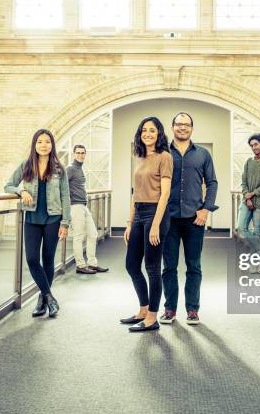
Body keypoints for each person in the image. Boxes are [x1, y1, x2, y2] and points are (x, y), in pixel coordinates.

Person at [5, 128, 70, 318]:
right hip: (32, 218)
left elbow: (66, 196)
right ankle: (49, 297)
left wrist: (65, 223)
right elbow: (8, 185)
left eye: (47, 142)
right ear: (35, 145)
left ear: (52, 145)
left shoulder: (59, 168)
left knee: (48, 260)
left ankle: (42, 302)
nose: (44, 145)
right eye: (40, 142)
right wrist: (21, 191)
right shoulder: (26, 165)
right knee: (32, 259)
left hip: (53, 218)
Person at [160, 112, 218, 326]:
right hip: (169, 219)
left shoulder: (202, 154)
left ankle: (192, 310)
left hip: (195, 219)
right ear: (172, 127)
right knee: (169, 267)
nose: (182, 128)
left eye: (187, 125)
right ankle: (169, 309)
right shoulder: (163, 152)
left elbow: (212, 183)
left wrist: (206, 210)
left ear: (192, 128)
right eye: (178, 124)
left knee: (194, 266)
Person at [120, 116, 172, 332]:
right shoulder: (140, 156)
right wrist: (130, 223)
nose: (148, 134)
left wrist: (156, 224)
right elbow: (135, 193)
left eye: (152, 130)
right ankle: (143, 309)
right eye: (144, 130)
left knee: (152, 268)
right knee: (132, 265)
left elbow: (165, 192)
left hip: (155, 213)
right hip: (139, 212)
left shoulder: (165, 156)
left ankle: (152, 317)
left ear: (159, 133)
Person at [66, 144, 108, 275]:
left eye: (83, 153)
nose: (80, 155)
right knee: (78, 236)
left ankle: (92, 263)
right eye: (78, 153)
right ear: (74, 154)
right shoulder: (70, 169)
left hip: (83, 206)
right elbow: (63, 188)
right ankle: (80, 265)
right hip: (75, 206)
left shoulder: (81, 168)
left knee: (93, 234)